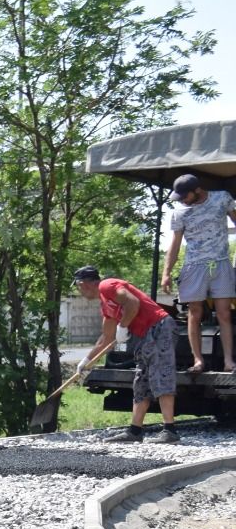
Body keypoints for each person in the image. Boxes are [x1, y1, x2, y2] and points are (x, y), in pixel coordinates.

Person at [75, 265, 179, 444]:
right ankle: (135, 431)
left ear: (83, 283)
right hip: (144, 336)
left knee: (161, 375)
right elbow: (106, 339)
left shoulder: (107, 286)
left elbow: (133, 303)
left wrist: (122, 326)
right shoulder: (106, 305)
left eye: (78, 286)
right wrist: (86, 362)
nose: (79, 291)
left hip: (159, 327)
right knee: (141, 382)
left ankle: (170, 430)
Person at [160, 174, 236, 373]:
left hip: (220, 263)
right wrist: (166, 273)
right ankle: (198, 361)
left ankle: (229, 361)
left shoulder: (222, 198)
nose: (183, 200)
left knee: (224, 313)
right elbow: (175, 245)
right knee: (195, 313)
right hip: (194, 265)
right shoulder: (180, 213)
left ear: (197, 190)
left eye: (185, 196)